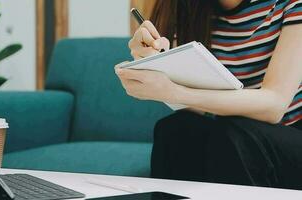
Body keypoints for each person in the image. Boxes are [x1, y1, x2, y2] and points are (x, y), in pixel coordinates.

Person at [115, 0, 302, 190]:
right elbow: (196, 106)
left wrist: (176, 92)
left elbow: (274, 106)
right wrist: (150, 63)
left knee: (236, 134)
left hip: (291, 135)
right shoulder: (190, 9)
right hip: (230, 134)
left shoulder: (290, 4)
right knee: (175, 130)